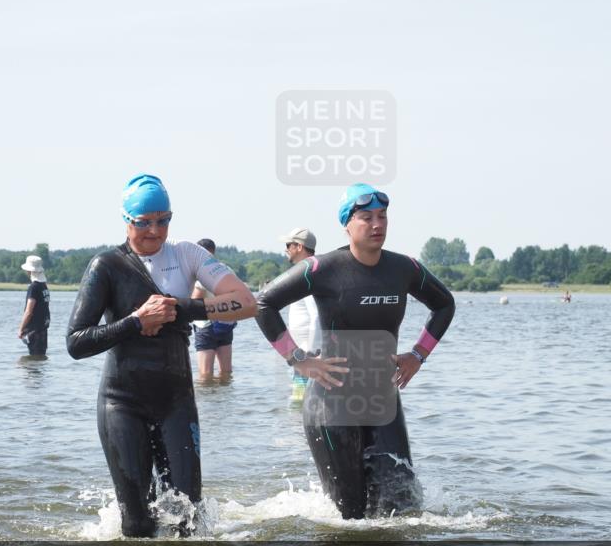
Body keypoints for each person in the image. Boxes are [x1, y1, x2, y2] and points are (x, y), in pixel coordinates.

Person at [66, 174, 256, 537]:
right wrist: (136, 322)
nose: (154, 231)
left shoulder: (187, 254)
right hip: (122, 403)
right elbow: (76, 342)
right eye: (144, 223)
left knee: (188, 518)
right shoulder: (106, 266)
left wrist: (180, 308)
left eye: (163, 220)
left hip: (175, 400)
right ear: (126, 220)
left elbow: (246, 303)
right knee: (137, 524)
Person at [255, 184, 455, 520]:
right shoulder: (323, 268)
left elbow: (445, 304)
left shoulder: (403, 269)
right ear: (347, 224)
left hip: (382, 400)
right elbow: (263, 304)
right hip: (332, 404)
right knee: (351, 516)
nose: (377, 224)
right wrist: (298, 359)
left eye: (382, 216)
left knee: (402, 508)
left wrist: (418, 355)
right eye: (366, 217)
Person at [280, 227, 322, 402]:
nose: (286, 250)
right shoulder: (308, 270)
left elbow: (316, 315)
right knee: (301, 402)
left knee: (299, 403)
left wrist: (310, 353)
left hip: (305, 354)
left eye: (288, 245)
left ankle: (297, 430)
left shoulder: (307, 274)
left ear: (299, 247)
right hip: (302, 352)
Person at [190, 238, 237, 379]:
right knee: (226, 373)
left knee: (205, 375)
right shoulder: (227, 269)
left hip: (205, 325)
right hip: (226, 324)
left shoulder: (202, 271)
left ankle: (208, 401)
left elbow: (195, 301)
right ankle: (224, 401)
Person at [18, 255, 51, 356]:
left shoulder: (33, 287)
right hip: (43, 329)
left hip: (34, 331)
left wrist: (21, 329)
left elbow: (29, 311)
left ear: (30, 271)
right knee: (40, 359)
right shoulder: (44, 286)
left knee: (33, 363)